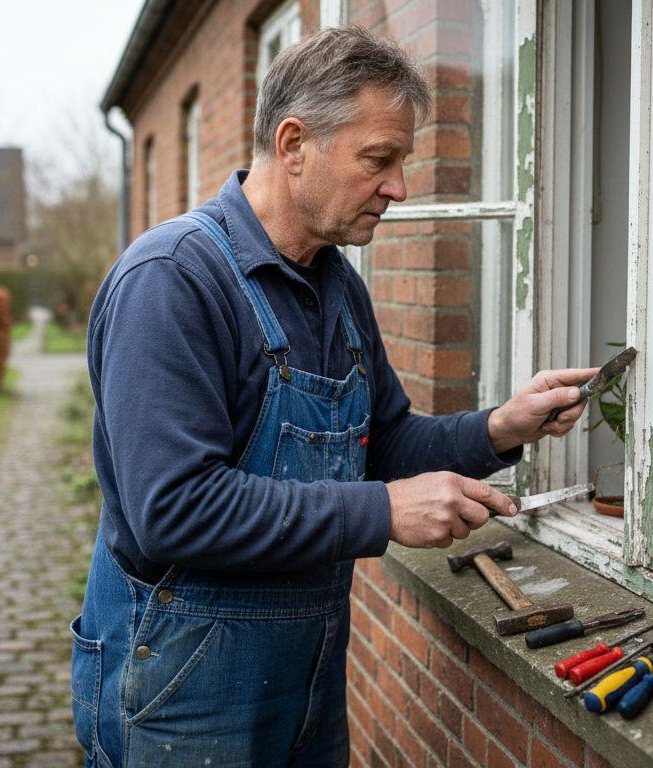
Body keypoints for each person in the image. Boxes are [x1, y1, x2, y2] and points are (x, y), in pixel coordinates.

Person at [71, 26, 597, 767]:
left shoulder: (337, 285)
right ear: (293, 145)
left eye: (402, 162)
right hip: (180, 692)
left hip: (306, 685)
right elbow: (174, 510)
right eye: (378, 160)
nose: (400, 187)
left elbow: (381, 445)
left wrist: (502, 429)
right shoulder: (172, 282)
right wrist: (383, 512)